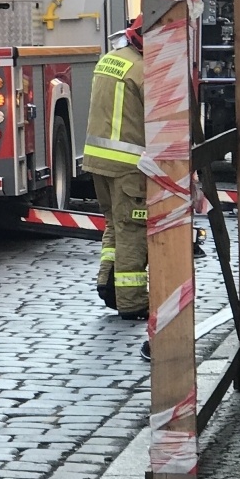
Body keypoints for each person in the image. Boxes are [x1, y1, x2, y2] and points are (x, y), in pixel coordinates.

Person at [82, 16, 148, 319]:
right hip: (128, 166)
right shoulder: (144, 71)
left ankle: (107, 284)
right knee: (132, 229)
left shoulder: (111, 60)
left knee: (114, 224)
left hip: (99, 160)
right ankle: (132, 301)